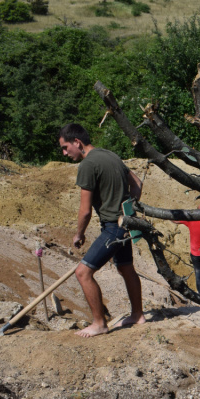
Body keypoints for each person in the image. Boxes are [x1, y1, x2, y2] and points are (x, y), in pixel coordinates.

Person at [58, 123, 145, 338]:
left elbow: (85, 210)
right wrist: (128, 209)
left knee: (83, 272)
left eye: (65, 147)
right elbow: (137, 183)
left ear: (77, 142)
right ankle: (138, 315)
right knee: (126, 268)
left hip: (112, 228)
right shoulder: (111, 155)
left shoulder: (88, 165)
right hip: (125, 224)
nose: (64, 153)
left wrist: (79, 234)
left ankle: (99, 323)